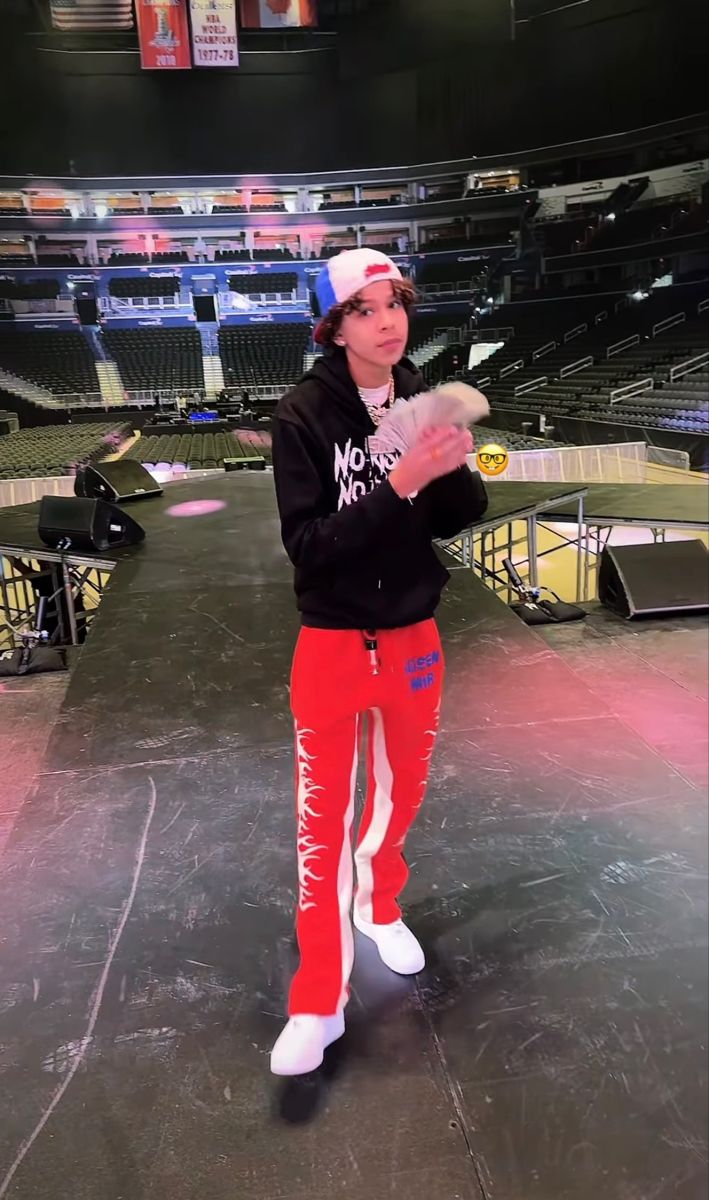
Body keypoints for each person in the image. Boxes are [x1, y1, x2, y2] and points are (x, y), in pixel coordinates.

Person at [270, 248, 488, 1076]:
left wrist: (448, 461)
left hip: (414, 641)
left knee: (398, 801)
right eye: (363, 309)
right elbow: (308, 549)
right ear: (333, 326)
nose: (386, 320)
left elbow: (458, 515)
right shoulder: (302, 417)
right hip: (329, 644)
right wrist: (396, 484)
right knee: (319, 831)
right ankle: (317, 998)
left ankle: (380, 904)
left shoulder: (419, 394)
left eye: (393, 301)